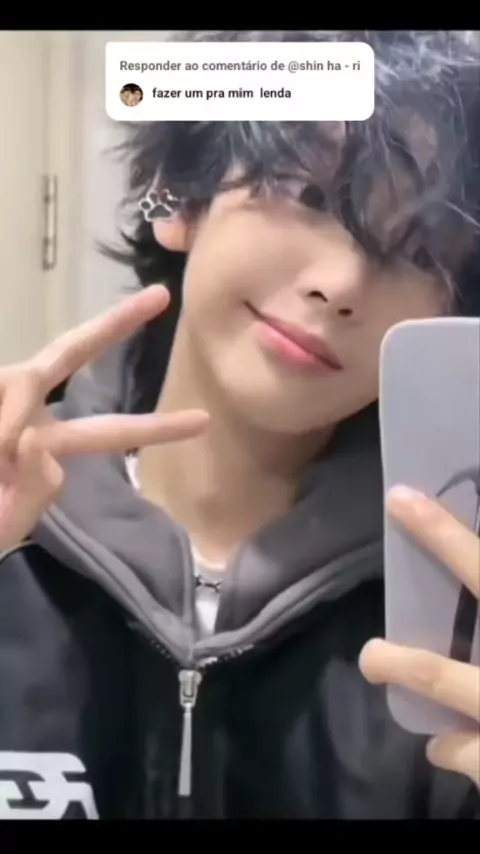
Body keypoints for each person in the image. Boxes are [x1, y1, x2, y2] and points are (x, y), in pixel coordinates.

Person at [0, 30, 479, 820]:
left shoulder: (449, 611)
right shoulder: (16, 529)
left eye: (420, 251)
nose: (341, 284)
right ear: (178, 196)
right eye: (309, 195)